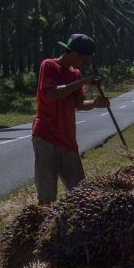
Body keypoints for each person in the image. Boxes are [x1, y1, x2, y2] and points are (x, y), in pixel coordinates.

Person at [32, 34, 110, 204]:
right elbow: (53, 93)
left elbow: (79, 104)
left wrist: (96, 103)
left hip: (67, 139)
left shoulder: (75, 74)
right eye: (85, 59)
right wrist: (82, 82)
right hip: (46, 137)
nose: (86, 63)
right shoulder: (49, 65)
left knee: (80, 191)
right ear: (74, 54)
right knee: (46, 196)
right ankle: (42, 226)